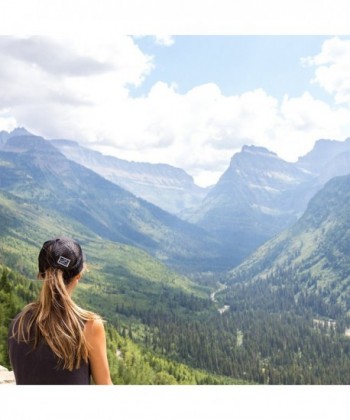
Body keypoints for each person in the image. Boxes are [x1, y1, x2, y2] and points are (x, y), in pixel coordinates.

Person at [8, 237, 112, 385]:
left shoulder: (18, 323)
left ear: (41, 274)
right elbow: (105, 386)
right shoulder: (89, 325)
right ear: (78, 275)